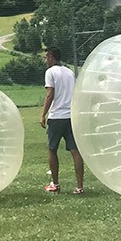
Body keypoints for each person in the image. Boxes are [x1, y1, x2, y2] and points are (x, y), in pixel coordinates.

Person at [40, 47, 84, 194]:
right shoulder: (69, 72)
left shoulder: (50, 72)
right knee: (75, 151)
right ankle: (79, 187)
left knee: (52, 150)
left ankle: (55, 184)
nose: (45, 60)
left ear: (51, 57)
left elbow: (50, 94)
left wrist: (43, 114)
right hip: (71, 116)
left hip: (57, 116)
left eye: (46, 57)